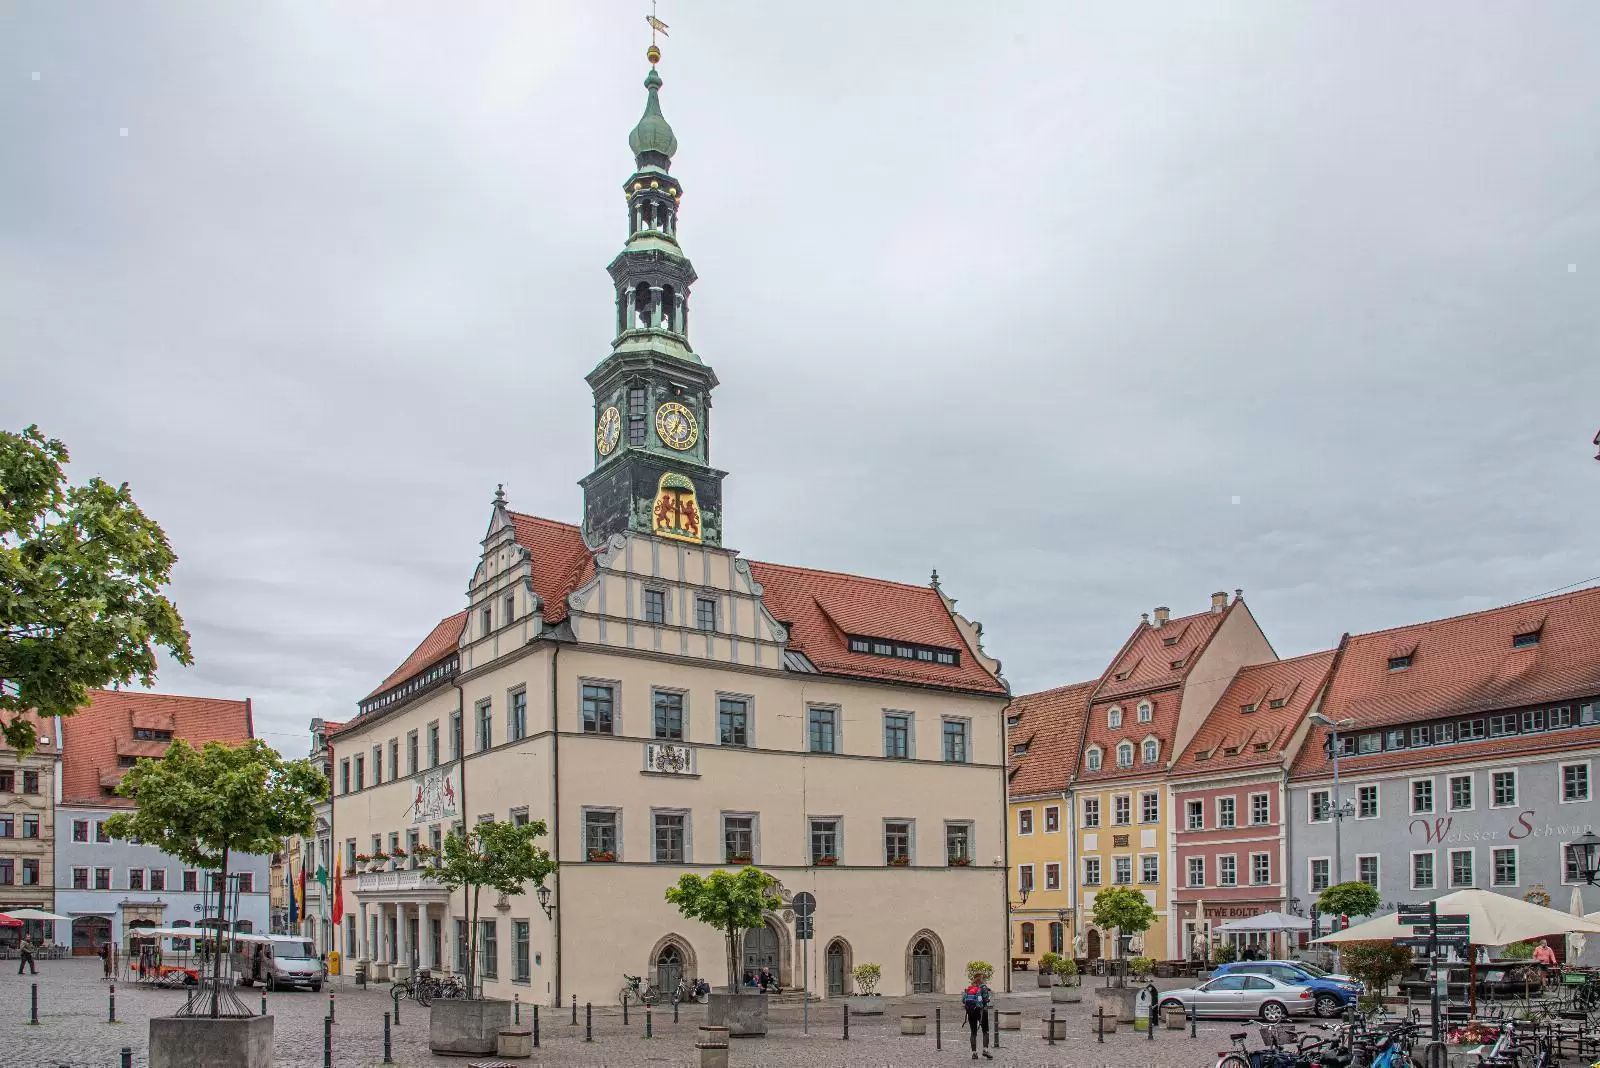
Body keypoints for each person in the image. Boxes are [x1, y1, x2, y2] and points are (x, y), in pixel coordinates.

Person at [963, 973, 993, 1059]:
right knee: (985, 1031)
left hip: (970, 1011)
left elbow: (963, 1000)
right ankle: (985, 1050)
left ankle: (974, 1053)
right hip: (981, 1011)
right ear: (981, 979)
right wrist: (989, 997)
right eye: (984, 978)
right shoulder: (983, 987)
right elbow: (986, 999)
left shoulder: (970, 988)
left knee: (973, 1032)